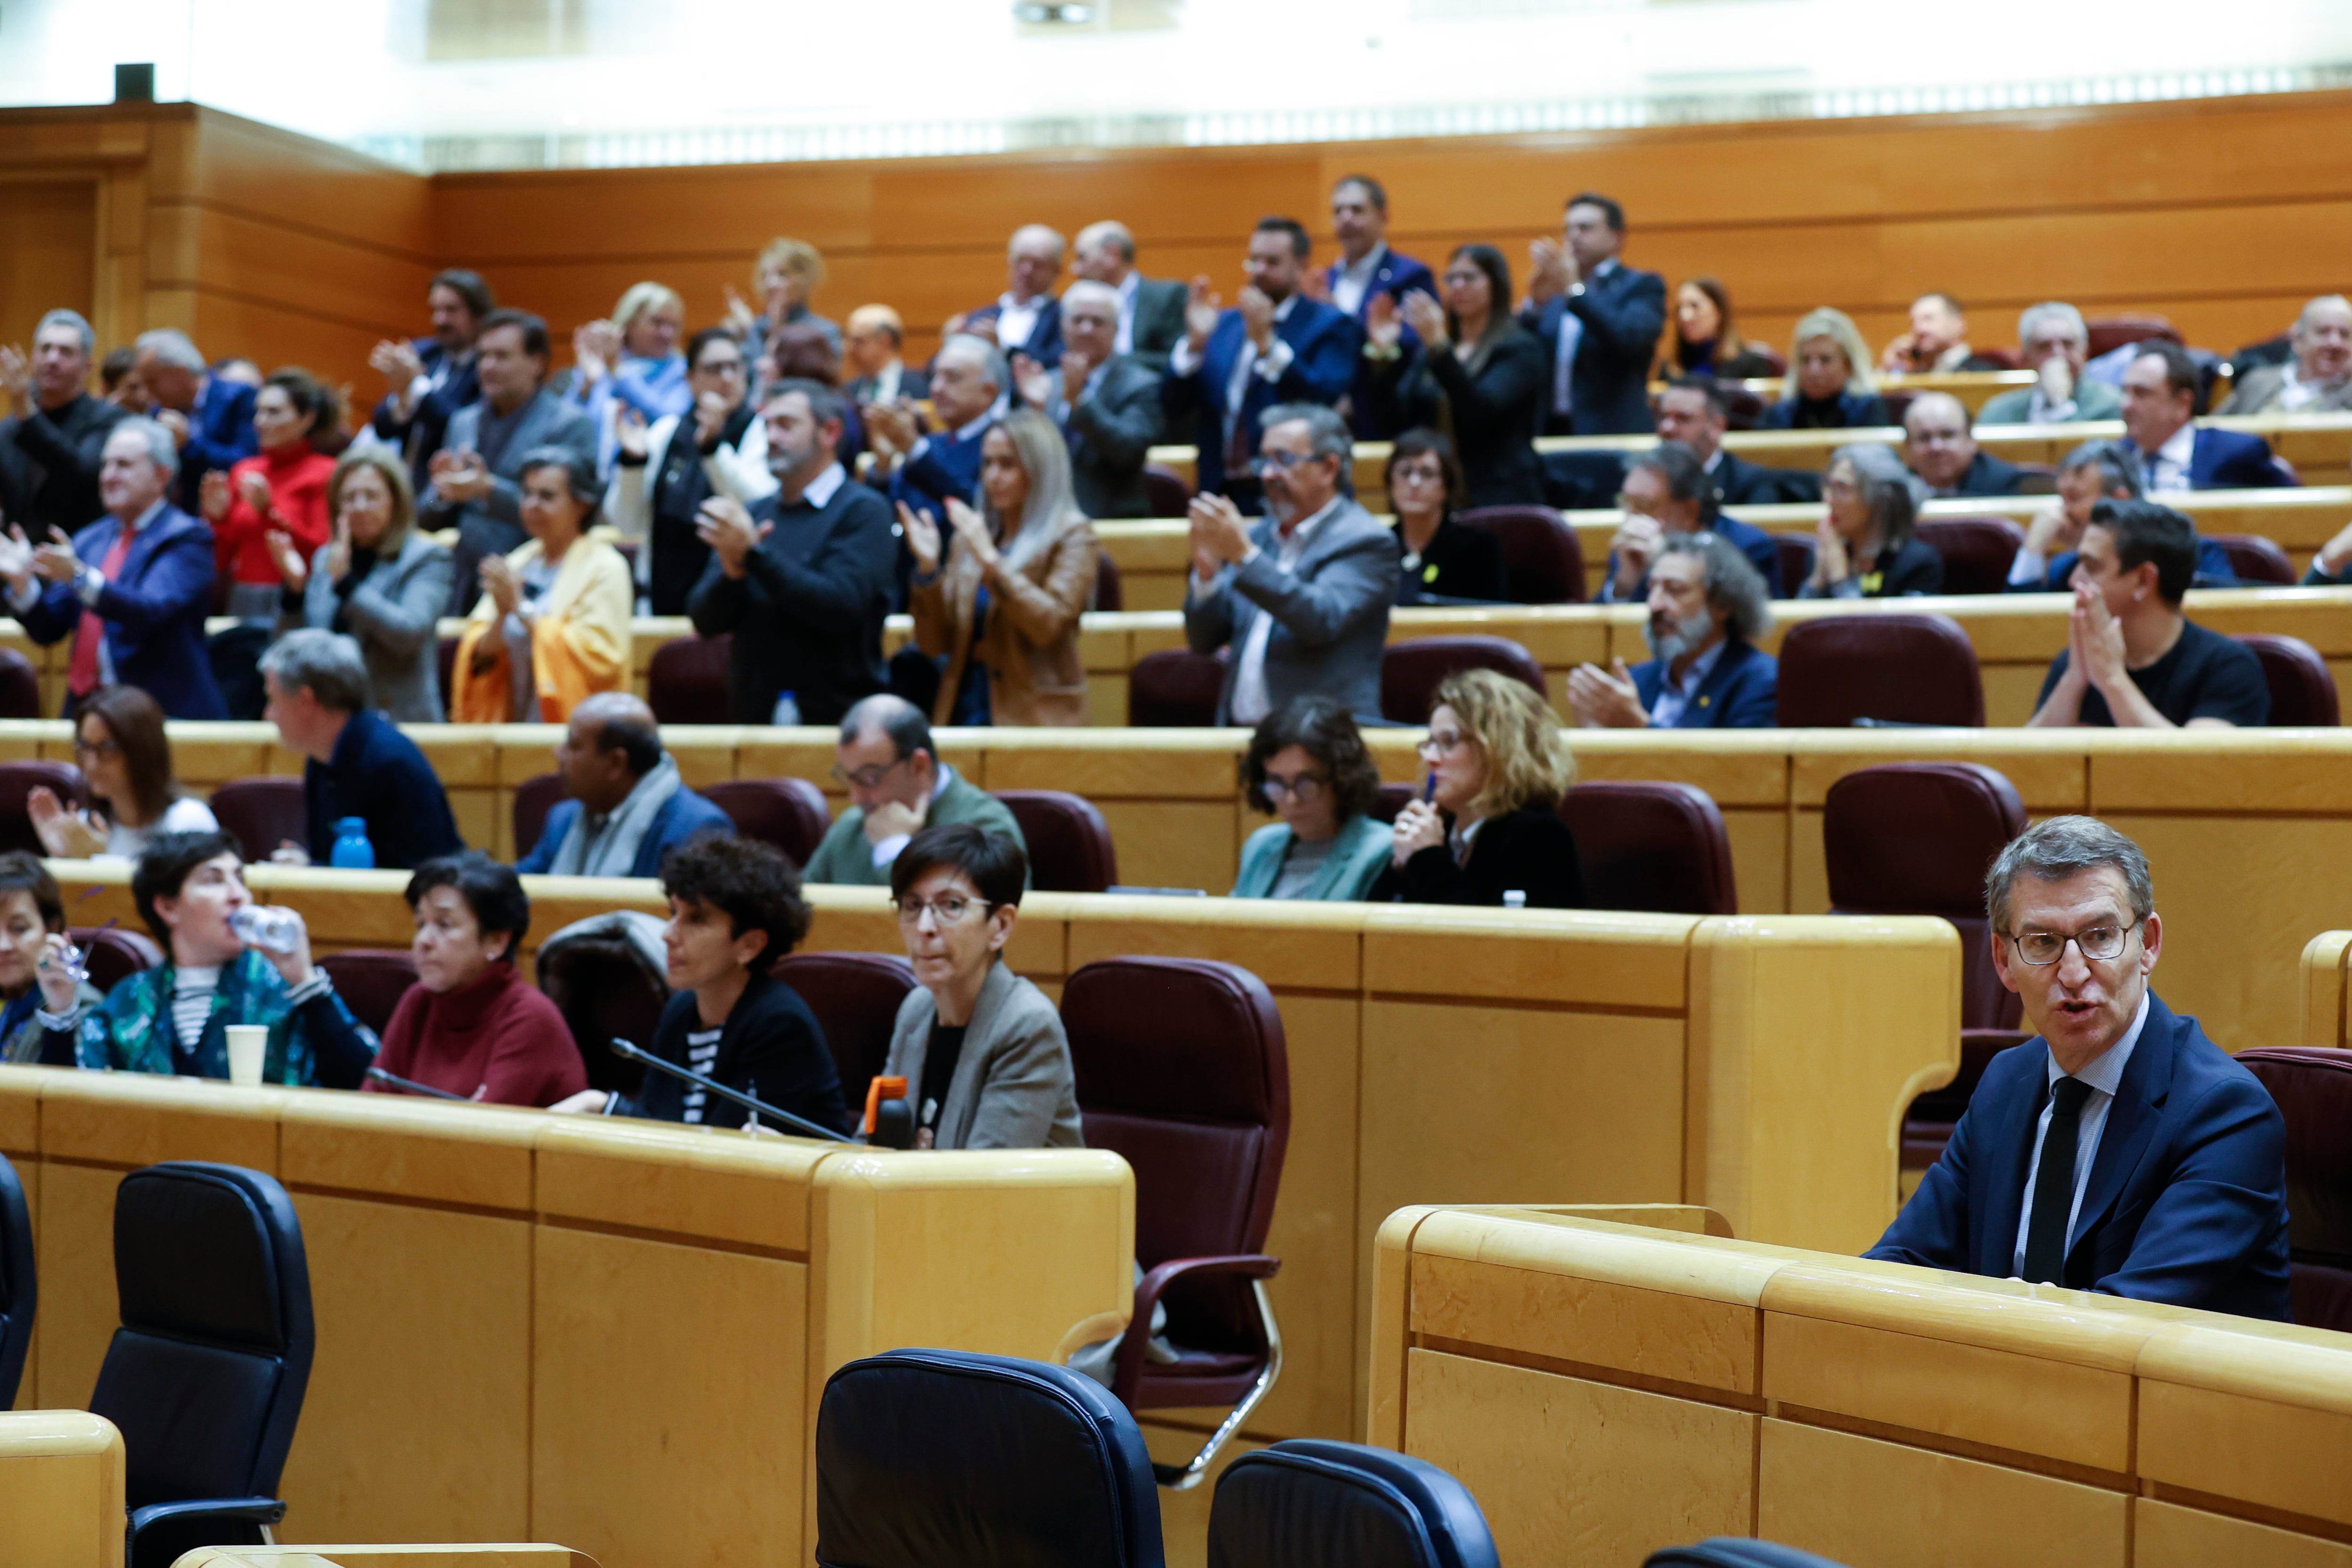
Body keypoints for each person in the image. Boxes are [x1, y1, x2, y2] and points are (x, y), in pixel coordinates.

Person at [1867, 816, 2290, 1320]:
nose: (2072, 973)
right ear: (2003, 960)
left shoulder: (2224, 1115)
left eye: (2099, 936)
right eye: (2043, 942)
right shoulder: (2006, 1084)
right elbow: (1898, 1264)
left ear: (2147, 945)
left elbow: (2127, 1322)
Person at [553, 835, 853, 1134]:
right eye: (674, 914)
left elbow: (717, 1146)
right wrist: (600, 1105)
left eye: (695, 920)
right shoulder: (682, 1010)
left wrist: (606, 1107)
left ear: (749, 945)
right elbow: (659, 1126)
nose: (668, 935)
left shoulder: (779, 1024)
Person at [36, 828, 377, 1087]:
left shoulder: (282, 987)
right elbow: (69, 1109)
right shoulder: (130, 999)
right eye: (213, 880)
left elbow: (364, 1082)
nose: (238, 895)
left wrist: (306, 982)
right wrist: (62, 1009)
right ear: (168, 907)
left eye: (240, 879)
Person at [688, 378, 897, 725]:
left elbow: (839, 606)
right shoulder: (753, 514)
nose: (771, 438)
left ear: (829, 432)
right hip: (753, 719)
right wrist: (733, 574)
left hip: (838, 722)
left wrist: (755, 555)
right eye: (767, 425)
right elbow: (704, 621)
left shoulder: (864, 511)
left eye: (785, 425)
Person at [1182, 403, 1398, 725]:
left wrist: (1244, 556)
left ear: (1328, 469)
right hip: (1244, 742)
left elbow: (1320, 619)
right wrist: (1207, 574)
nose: (1268, 474)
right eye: (1264, 460)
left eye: (1283, 460)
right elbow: (1203, 640)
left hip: (1326, 743)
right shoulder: (1260, 537)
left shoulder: (1366, 541)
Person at [3, 416, 225, 718]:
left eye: (123, 465)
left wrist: (78, 577)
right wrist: (22, 585)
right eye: (105, 464)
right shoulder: (92, 537)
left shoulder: (187, 538)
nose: (108, 476)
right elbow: (49, 628)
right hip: (88, 713)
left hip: (161, 716)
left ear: (162, 475)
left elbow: (148, 611)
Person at [882, 824, 1081, 1150]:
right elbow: (875, 1147)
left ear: (1000, 926)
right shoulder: (916, 1010)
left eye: (951, 906)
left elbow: (984, 1181)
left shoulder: (1026, 1025)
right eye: (912, 905)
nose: (924, 927)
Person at [905, 409, 1097, 726]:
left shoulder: (1074, 535)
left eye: (1008, 464)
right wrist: (928, 571)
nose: (993, 476)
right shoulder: (971, 539)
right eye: (988, 463)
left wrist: (991, 562)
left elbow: (1048, 626)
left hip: (1036, 714)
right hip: (963, 705)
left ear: (1039, 471)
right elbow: (934, 644)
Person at [1162, 216, 1360, 504]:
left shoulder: (1331, 324)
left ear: (1301, 264)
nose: (1259, 271)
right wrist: (1194, 346)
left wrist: (1269, 347)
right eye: (1254, 261)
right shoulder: (1224, 325)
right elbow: (1173, 405)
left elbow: (1323, 398)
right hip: (1220, 488)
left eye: (1273, 262)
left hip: (1293, 491)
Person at [366, 852, 586, 1107]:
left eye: (445, 924)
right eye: (420, 923)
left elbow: (481, 1140)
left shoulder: (529, 1017)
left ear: (497, 941)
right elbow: (370, 1110)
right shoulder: (419, 1001)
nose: (424, 941)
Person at [2026, 500, 2269, 730]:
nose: (2074, 580)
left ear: (2144, 581)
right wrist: (2074, 680)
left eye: (2091, 568)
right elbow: (2024, 767)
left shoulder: (2228, 667)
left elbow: (2199, 768)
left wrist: (2113, 681)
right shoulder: (2075, 662)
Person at [419, 308, 600, 615]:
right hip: (464, 581)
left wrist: (486, 490)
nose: (488, 367)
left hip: (538, 583)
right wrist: (442, 492)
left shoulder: (569, 424)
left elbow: (574, 515)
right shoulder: (463, 422)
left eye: (502, 356)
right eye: (483, 356)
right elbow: (427, 517)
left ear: (537, 362)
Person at [448, 447, 632, 724]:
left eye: (547, 496)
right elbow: (479, 657)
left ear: (582, 504)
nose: (532, 505)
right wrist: (500, 616)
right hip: (512, 723)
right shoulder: (518, 561)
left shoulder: (606, 567)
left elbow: (600, 660)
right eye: (527, 494)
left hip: (576, 729)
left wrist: (520, 609)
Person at [1372, 668, 1582, 908]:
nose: (1430, 757)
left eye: (1449, 742)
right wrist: (1400, 867)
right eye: (1430, 743)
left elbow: (1481, 939)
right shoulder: (1440, 829)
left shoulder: (1539, 838)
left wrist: (1427, 857)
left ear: (1497, 748)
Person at [259, 629, 464, 869]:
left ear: (306, 700)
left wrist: (313, 869)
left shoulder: (390, 762)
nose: (268, 715)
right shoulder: (321, 759)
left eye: (273, 700)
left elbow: (421, 877)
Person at [607, 326, 777, 616]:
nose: (727, 378)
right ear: (690, 378)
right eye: (714, 369)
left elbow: (757, 505)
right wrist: (633, 464)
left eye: (735, 367)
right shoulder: (666, 431)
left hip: (732, 600)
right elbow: (626, 525)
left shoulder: (762, 431)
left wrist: (713, 449)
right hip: (662, 597)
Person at [1365, 244, 1545, 506]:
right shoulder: (1434, 351)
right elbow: (1396, 419)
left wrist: (1440, 349)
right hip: (1438, 492)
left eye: (1470, 277)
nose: (1458, 286)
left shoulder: (1520, 348)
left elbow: (1480, 413)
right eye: (1451, 278)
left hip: (1498, 493)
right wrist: (1383, 355)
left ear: (1495, 285)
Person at [284, 447, 453, 722]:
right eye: (349, 497)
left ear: (395, 502)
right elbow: (296, 649)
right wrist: (293, 592)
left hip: (399, 721)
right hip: (330, 722)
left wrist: (348, 586)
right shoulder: (326, 558)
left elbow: (409, 634)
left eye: (371, 496)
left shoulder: (426, 558)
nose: (359, 507)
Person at [802, 695, 1028, 886]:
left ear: (919, 765)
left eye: (870, 778)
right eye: (850, 779)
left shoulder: (987, 827)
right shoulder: (851, 828)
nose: (856, 797)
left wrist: (892, 850)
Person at [1567, 532, 1778, 730]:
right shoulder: (1639, 680)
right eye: (1652, 589)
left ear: (1722, 605)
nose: (1654, 604)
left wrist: (1639, 725)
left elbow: (1736, 768)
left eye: (1674, 591)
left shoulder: (1760, 682)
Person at [516, 692, 733, 876]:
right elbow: (518, 888)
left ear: (616, 763)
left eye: (573, 746)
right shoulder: (562, 819)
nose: (559, 753)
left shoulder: (697, 831)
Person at [1519, 192, 1666, 437]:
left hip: (1613, 434)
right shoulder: (1556, 293)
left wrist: (1574, 291)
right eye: (1568, 229)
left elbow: (1628, 339)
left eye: (1585, 228)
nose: (1574, 236)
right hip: (1551, 432)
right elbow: (1524, 357)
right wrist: (1533, 307)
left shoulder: (1642, 286)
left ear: (1616, 238)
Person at [201, 367, 339, 621]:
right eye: (258, 411)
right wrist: (217, 519)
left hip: (297, 597)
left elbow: (322, 554)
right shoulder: (244, 471)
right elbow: (219, 561)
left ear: (307, 419)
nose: (259, 422)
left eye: (273, 412)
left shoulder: (326, 474)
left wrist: (269, 513)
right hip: (242, 596)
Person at [1019, 279, 1162, 520]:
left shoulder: (1141, 384)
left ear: (1116, 330)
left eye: (1098, 322)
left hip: (1112, 520)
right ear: (1063, 327)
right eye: (1078, 320)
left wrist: (1080, 403)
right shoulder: (1046, 384)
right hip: (1046, 517)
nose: (1087, 329)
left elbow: (1127, 452)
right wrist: (1037, 412)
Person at [28, 684, 218, 860]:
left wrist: (97, 861)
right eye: (85, 747)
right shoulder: (85, 829)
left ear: (143, 751)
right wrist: (63, 860)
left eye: (108, 747)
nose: (92, 764)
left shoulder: (189, 822)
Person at [1231, 697, 1391, 900]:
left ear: (1342, 778)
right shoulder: (1260, 847)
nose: (1291, 800)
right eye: (1277, 784)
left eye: (1305, 784)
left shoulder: (1379, 851)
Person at [1597, 441, 1785, 602]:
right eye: (1626, 503)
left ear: (1690, 511)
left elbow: (1752, 629)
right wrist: (1623, 588)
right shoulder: (1630, 548)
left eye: (1644, 506)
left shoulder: (1748, 548)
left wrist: (1664, 563)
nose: (1631, 518)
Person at [1323, 175, 1437, 437]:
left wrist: (1342, 322)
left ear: (1383, 216)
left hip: (1387, 415)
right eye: (1338, 211)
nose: (1346, 218)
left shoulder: (1409, 275)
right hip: (1330, 419)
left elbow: (1417, 345)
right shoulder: (1326, 280)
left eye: (1357, 210)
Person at [863, 334, 1007, 535]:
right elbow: (889, 518)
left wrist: (914, 449)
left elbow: (978, 507)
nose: (936, 388)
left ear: (989, 391)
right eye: (935, 376)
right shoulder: (930, 444)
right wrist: (883, 468)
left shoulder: (1003, 447)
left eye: (953, 378)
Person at [0, 308, 125, 536]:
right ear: (33, 358)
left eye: (66, 352)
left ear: (87, 366)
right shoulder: (9, 428)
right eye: (45, 349)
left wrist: (25, 408)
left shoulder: (109, 420)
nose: (52, 359)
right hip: (15, 562)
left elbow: (82, 473)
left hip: (77, 558)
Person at [368, 268, 495, 491]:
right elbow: (382, 426)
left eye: (451, 310)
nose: (440, 319)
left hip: (446, 492)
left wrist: (414, 388)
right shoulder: (424, 353)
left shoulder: (488, 367)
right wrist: (400, 395)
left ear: (479, 315)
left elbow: (459, 426)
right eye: (435, 310)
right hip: (398, 485)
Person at [2121, 342, 2294, 491]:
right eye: (2125, 392)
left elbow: (2296, 517)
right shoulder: (2111, 461)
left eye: (2141, 393)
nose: (2126, 405)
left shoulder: (2237, 455)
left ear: (2182, 404)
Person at [566, 281, 691, 477]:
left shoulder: (682, 370)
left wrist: (618, 374)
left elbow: (670, 419)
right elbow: (565, 424)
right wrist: (586, 386)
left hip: (641, 477)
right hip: (584, 477)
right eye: (657, 323)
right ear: (629, 323)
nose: (667, 333)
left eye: (674, 325)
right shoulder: (603, 360)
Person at [131, 327, 254, 513]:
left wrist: (189, 445)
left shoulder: (239, 397)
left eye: (153, 382)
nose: (147, 393)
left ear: (181, 373)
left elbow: (245, 462)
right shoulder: (159, 411)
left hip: (227, 513)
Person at [1801, 443, 1943, 598]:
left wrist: (1840, 582)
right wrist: (1817, 580)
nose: (1828, 500)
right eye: (1829, 487)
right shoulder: (1823, 554)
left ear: (1879, 500)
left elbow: (1873, 623)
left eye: (1842, 488)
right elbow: (1796, 622)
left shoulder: (1918, 565)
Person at [1654, 376, 1818, 508]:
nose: (1667, 428)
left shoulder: (1750, 485)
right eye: (1663, 417)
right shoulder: (1640, 475)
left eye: (1683, 419)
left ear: (1717, 427)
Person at [1386, 430, 1507, 604]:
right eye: (1405, 473)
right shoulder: (1377, 547)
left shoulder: (1478, 549)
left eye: (1427, 474)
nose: (1414, 483)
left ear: (1446, 486)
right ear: (1391, 483)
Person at [0, 854, 99, 1065]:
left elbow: (67, 1095)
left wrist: (61, 1012)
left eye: (19, 929)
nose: (3, 946)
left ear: (52, 928)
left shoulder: (83, 1009)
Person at [1070, 220, 1188, 373]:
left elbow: (1179, 361)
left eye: (1082, 257)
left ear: (1112, 255)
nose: (1075, 270)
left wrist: (1109, 361)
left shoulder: (1167, 297)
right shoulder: (1078, 303)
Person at [1979, 303, 2124, 425]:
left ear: (2085, 352)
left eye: (2068, 344)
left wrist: (2060, 404)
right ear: (2025, 359)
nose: (2058, 354)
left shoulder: (2112, 405)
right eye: (2044, 346)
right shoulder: (1999, 412)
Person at [951, 225, 1066, 366]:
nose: (1027, 270)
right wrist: (952, 341)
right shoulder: (980, 316)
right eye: (1021, 260)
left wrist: (1001, 350)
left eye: (1038, 264)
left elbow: (1055, 364)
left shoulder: (1064, 319)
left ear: (1057, 270)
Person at [2218, 294, 2352, 415]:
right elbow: (2214, 431)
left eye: (2345, 334)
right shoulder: (2258, 382)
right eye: (2323, 332)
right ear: (2299, 339)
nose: (2335, 343)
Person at [1762, 309, 1890, 430]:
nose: (1814, 370)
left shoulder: (1868, 409)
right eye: (1806, 360)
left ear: (1848, 364)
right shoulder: (1779, 414)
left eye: (1825, 360)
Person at [728, 238, 842, 367]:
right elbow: (748, 383)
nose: (770, 284)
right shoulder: (754, 330)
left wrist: (778, 331)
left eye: (782, 274)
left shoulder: (824, 332)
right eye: (765, 275)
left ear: (806, 279)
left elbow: (816, 384)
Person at [1902, 392, 2025, 499]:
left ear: (1971, 441)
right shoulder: (1895, 490)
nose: (1936, 447)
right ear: (1908, 446)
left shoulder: (2005, 485)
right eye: (1924, 438)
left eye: (1947, 435)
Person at [1661, 278, 1779, 381]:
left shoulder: (1751, 365)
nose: (1684, 316)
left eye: (1695, 306)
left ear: (1719, 312)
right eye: (1680, 308)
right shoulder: (1670, 369)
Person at [1879, 292, 2006, 375]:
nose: (1918, 329)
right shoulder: (1912, 372)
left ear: (1958, 323)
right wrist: (1888, 368)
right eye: (1914, 322)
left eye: (1928, 319)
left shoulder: (1984, 372)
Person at [842, 304, 926, 405]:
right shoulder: (847, 391)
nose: (849, 349)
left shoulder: (921, 386)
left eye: (859, 341)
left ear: (885, 341)